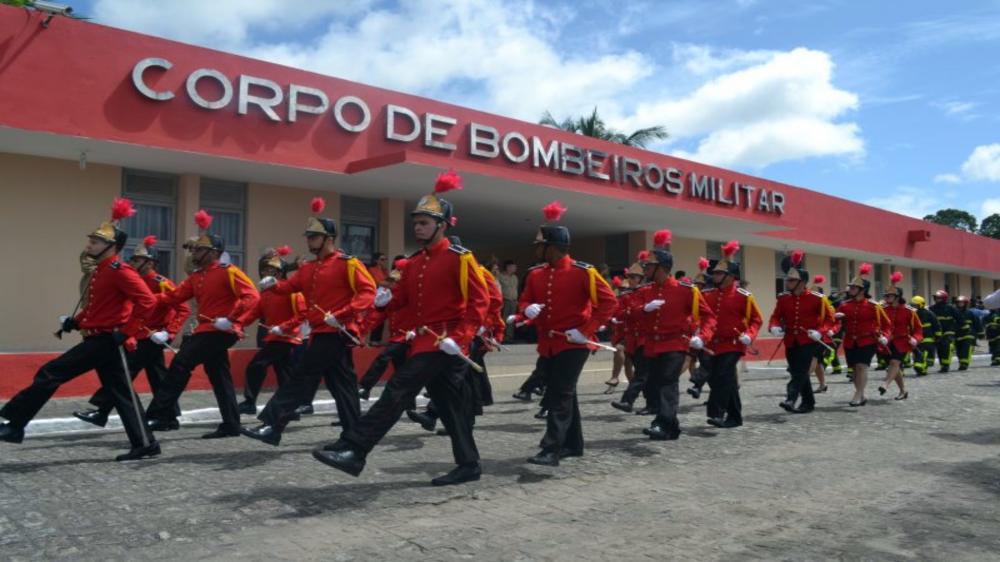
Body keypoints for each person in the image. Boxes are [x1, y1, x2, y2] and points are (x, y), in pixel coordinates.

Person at [313, 170, 489, 486]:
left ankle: (355, 448)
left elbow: (480, 302)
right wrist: (384, 302)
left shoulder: (460, 258)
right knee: (449, 406)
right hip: (424, 340)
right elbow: (404, 301)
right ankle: (469, 464)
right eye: (416, 222)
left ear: (442, 225)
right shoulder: (415, 262)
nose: (417, 227)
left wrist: (461, 339)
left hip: (444, 341)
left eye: (424, 222)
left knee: (398, 389)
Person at [0, 198, 160, 461]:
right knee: (121, 393)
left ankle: (15, 423)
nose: (89, 245)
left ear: (112, 247)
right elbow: (100, 308)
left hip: (108, 339)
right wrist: (77, 321)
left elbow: (148, 302)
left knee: (51, 372)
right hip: (101, 337)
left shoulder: (121, 270)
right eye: (91, 241)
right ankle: (146, 443)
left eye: (95, 242)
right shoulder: (101, 271)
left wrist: (128, 331)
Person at [241, 196, 376, 445]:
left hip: (337, 331)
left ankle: (273, 424)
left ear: (329, 238)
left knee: (300, 376)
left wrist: (343, 313)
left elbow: (368, 293)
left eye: (313, 236)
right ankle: (354, 436)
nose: (309, 240)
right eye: (308, 236)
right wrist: (273, 284)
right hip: (320, 332)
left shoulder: (348, 264)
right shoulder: (307, 269)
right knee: (343, 386)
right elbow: (289, 288)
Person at [517, 201, 616, 464]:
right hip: (548, 344)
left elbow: (609, 302)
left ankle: (552, 448)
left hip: (574, 344)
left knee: (558, 394)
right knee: (564, 393)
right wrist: (527, 310)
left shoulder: (583, 272)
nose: (536, 249)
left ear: (552, 246)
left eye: (539, 245)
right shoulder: (536, 275)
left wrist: (586, 331)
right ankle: (573, 444)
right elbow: (524, 300)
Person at [145, 210, 260, 438]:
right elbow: (173, 297)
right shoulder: (196, 277)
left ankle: (159, 413)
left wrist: (232, 319)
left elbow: (253, 297)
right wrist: (144, 299)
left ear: (213, 252)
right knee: (219, 375)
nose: (194, 253)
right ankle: (231, 424)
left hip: (220, 330)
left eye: (199, 249)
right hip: (206, 329)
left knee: (181, 362)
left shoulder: (229, 272)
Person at [72, 234, 190, 428]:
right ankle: (168, 417)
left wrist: (169, 332)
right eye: (133, 259)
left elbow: (183, 308)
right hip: (138, 333)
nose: (133, 262)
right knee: (158, 377)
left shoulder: (161, 282)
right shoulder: (130, 279)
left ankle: (101, 411)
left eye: (138, 260)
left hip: (153, 336)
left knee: (122, 373)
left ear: (150, 262)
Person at [630, 230, 715, 440]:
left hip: (675, 345)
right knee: (655, 385)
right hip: (651, 346)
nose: (646, 269)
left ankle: (660, 424)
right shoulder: (644, 291)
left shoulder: (687, 291)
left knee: (668, 382)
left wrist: (702, 337)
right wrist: (644, 309)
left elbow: (709, 317)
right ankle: (671, 427)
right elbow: (626, 314)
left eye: (650, 266)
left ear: (663, 268)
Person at [237, 247, 306, 415]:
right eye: (265, 269)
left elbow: (303, 314)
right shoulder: (266, 293)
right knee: (284, 374)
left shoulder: (293, 293)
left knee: (256, 366)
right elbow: (255, 313)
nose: (266, 272)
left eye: (271, 270)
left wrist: (283, 327)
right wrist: (238, 324)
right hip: (274, 338)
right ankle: (290, 408)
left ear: (280, 272)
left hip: (285, 338)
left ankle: (249, 402)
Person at [768, 250, 836, 414]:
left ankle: (791, 398)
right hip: (791, 340)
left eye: (791, 280)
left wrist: (820, 332)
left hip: (809, 341)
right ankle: (808, 402)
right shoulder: (783, 298)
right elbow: (776, 317)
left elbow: (830, 319)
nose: (787, 282)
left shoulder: (817, 298)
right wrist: (774, 327)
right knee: (797, 370)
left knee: (799, 371)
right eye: (788, 279)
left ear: (802, 282)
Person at [703, 240, 761, 428]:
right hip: (713, 344)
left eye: (720, 273)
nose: (716, 276)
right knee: (718, 378)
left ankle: (717, 413)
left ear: (731, 276)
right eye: (716, 273)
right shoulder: (709, 295)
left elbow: (756, 319)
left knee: (722, 375)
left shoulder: (744, 296)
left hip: (733, 344)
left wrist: (749, 335)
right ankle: (735, 417)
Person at [356, 258, 412, 400]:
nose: (396, 274)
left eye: (399, 270)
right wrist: (362, 332)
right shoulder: (390, 293)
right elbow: (378, 316)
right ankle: (409, 404)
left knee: (383, 358)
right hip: (397, 336)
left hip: (407, 336)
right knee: (402, 370)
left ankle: (365, 386)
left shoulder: (413, 291)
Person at [836, 263, 890, 406]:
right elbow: (836, 322)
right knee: (854, 369)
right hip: (849, 341)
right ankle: (862, 394)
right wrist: (835, 321)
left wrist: (885, 335)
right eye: (851, 287)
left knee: (862, 366)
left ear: (862, 290)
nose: (850, 289)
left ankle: (857, 394)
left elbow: (886, 324)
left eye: (853, 287)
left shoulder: (874, 306)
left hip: (867, 340)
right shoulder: (845, 305)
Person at [611, 256, 655, 413]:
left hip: (646, 338)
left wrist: (636, 312)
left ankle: (627, 400)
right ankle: (652, 404)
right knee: (644, 374)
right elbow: (619, 313)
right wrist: (639, 311)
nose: (630, 280)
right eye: (629, 276)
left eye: (634, 277)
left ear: (641, 278)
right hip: (632, 339)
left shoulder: (649, 291)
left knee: (641, 373)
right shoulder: (624, 295)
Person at [877, 273, 922, 400]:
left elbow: (918, 329)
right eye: (885, 295)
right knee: (894, 368)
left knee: (894, 362)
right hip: (886, 342)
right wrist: (880, 336)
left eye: (889, 295)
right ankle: (903, 391)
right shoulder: (882, 310)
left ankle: (885, 384)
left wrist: (916, 339)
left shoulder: (909, 311)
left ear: (897, 297)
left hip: (902, 342)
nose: (886, 298)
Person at [910, 295, 941, 376]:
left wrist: (938, 336)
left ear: (921, 305)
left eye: (915, 305)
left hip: (928, 338)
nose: (914, 307)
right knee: (919, 354)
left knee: (923, 354)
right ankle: (922, 368)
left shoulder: (929, 313)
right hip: (916, 339)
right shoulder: (911, 315)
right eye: (912, 305)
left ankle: (920, 366)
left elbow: (936, 325)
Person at [929, 290, 959, 372]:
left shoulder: (951, 308)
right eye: (936, 298)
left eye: (938, 298)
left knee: (947, 346)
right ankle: (943, 365)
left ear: (944, 298)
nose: (936, 299)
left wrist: (955, 329)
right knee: (940, 349)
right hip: (937, 332)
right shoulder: (932, 308)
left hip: (949, 331)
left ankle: (946, 365)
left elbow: (959, 319)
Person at [953, 295, 981, 371]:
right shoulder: (954, 313)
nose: (960, 304)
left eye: (961, 303)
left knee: (966, 349)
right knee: (959, 351)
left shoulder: (970, 313)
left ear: (965, 303)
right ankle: (962, 362)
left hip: (969, 334)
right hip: (958, 335)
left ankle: (964, 364)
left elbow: (977, 323)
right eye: (958, 303)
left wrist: (981, 333)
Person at [497, 260, 519, 341]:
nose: (515, 268)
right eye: (513, 267)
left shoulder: (515, 277)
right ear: (508, 267)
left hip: (513, 301)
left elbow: (515, 289)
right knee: (504, 319)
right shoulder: (500, 276)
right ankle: (502, 336)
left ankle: (510, 336)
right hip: (505, 301)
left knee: (512, 319)